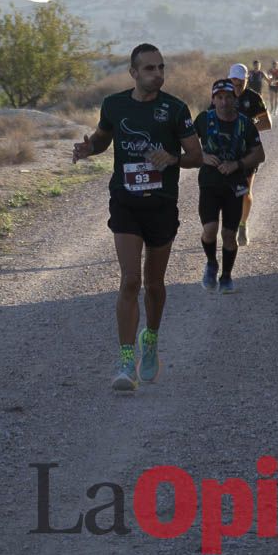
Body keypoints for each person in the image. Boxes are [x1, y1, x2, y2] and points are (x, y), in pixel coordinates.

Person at [72, 43, 202, 391]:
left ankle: (151, 341)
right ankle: (126, 361)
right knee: (130, 280)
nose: (157, 74)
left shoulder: (175, 108)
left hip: (161, 204)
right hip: (125, 201)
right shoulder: (114, 105)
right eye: (149, 68)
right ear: (133, 73)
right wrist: (89, 149)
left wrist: (172, 159)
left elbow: (196, 155)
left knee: (154, 285)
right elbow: (103, 139)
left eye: (161, 67)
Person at [198, 79, 265, 293]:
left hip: (235, 185)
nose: (224, 102)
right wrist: (203, 156)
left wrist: (237, 164)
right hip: (209, 184)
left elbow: (259, 154)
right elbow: (185, 146)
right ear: (213, 100)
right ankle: (211, 263)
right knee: (209, 230)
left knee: (229, 235)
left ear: (235, 99)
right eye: (219, 98)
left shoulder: (245, 124)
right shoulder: (203, 120)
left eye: (228, 97)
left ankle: (226, 276)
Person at [208, 63, 270, 246]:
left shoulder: (253, 98)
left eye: (240, 81)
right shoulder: (222, 97)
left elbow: (267, 123)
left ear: (246, 80)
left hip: (248, 152)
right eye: (233, 80)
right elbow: (208, 119)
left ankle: (242, 225)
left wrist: (246, 128)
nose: (236, 84)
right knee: (223, 191)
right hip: (224, 152)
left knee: (244, 191)